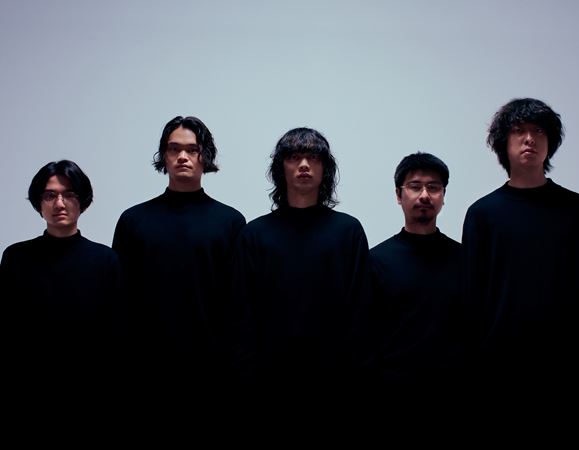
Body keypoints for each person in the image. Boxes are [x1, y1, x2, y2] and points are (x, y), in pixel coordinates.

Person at [461, 98, 579, 393]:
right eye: (519, 130)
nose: (529, 139)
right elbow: (473, 296)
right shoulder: (482, 214)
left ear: (550, 142)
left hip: (569, 360)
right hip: (499, 363)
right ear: (504, 141)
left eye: (539, 130)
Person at [230, 127, 373, 391]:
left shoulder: (348, 231)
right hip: (268, 380)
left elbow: (361, 313)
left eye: (313, 157)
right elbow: (242, 316)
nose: (304, 165)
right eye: (294, 157)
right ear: (280, 168)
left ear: (325, 168)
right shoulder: (254, 234)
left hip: (336, 380)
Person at [112, 116, 246, 390]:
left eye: (192, 149)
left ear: (205, 156)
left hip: (211, 368)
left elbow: (238, 305)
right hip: (146, 368)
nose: (182, 157)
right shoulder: (133, 221)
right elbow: (120, 302)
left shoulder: (230, 222)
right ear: (164, 155)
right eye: (174, 149)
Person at [1, 160, 123, 395]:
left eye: (69, 194)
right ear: (38, 203)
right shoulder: (16, 258)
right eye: (50, 195)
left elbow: (116, 336)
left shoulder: (105, 260)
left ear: (82, 201)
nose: (59, 203)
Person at [370, 152, 465, 389]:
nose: (424, 195)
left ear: (443, 195)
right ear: (398, 195)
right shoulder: (375, 261)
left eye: (433, 187)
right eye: (415, 187)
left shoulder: (466, 259)